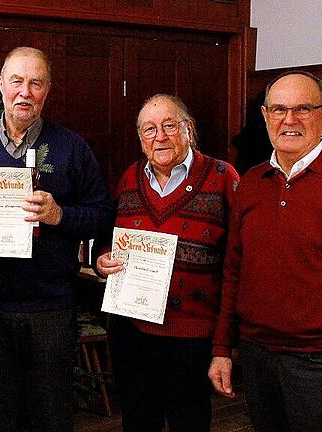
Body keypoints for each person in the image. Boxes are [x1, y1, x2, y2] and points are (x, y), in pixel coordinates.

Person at [0, 46, 113, 432]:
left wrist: (60, 215)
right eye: (16, 81)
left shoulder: (72, 147)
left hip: (50, 304)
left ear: (47, 90)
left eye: (35, 83)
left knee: (51, 413)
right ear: (0, 85)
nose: (25, 91)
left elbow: (102, 215)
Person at [209, 71, 322, 432]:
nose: (290, 119)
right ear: (266, 116)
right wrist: (222, 347)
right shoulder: (251, 183)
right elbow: (234, 271)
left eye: (303, 108)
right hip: (256, 355)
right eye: (279, 109)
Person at [94, 94, 239, 432]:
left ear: (188, 129)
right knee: (137, 421)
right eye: (149, 129)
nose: (159, 136)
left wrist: (224, 344)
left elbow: (237, 264)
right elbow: (109, 237)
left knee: (189, 422)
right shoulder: (130, 178)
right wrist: (102, 259)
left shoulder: (222, 177)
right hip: (132, 332)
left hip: (191, 337)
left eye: (169, 126)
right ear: (141, 138)